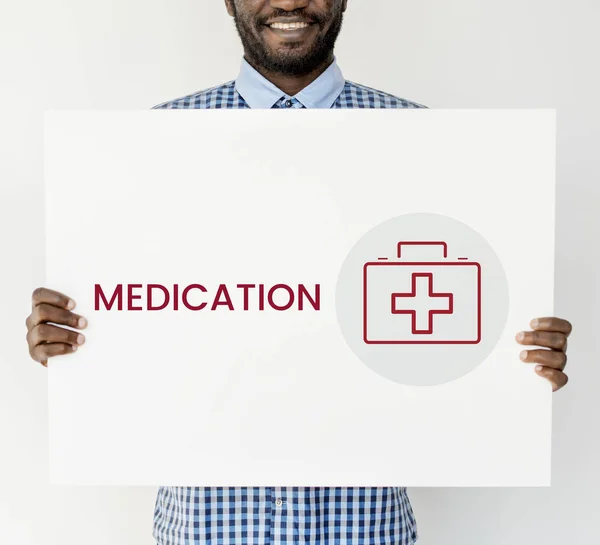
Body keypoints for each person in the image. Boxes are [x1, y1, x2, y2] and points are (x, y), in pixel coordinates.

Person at [25, 1, 573, 544]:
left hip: (366, 530)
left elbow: (461, 314)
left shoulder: (427, 145)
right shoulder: (151, 145)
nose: (289, 1)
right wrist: (74, 337)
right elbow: (140, 315)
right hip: (203, 529)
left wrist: (514, 357)